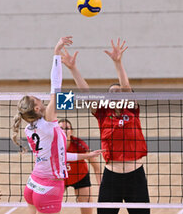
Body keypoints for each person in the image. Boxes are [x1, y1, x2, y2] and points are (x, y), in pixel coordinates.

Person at [11, 36, 104, 214]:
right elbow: (56, 85)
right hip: (49, 186)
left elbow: (58, 155)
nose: (40, 97)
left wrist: (87, 155)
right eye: (36, 98)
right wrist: (56, 53)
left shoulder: (29, 128)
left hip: (33, 184)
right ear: (37, 107)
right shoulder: (48, 122)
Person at [61, 38, 149, 214]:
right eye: (112, 93)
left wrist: (118, 63)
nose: (116, 94)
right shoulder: (102, 114)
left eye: (119, 92)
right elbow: (87, 92)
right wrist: (73, 69)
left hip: (135, 176)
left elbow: (126, 86)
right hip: (111, 178)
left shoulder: (132, 110)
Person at [58, 118, 101, 214]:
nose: (64, 131)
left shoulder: (79, 144)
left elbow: (96, 167)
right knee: (48, 207)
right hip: (60, 179)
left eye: (67, 128)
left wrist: (101, 185)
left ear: (71, 131)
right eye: (61, 128)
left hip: (80, 177)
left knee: (87, 209)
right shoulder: (51, 145)